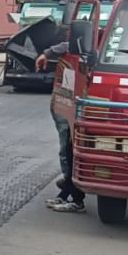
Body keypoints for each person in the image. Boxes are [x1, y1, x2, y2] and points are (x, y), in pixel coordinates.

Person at [35, 41, 86, 212]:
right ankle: (67, 192)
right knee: (68, 152)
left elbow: (69, 44)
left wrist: (47, 53)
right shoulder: (76, 49)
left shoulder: (89, 47)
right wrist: (48, 53)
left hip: (74, 111)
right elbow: (68, 44)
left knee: (70, 152)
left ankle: (76, 198)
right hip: (66, 109)